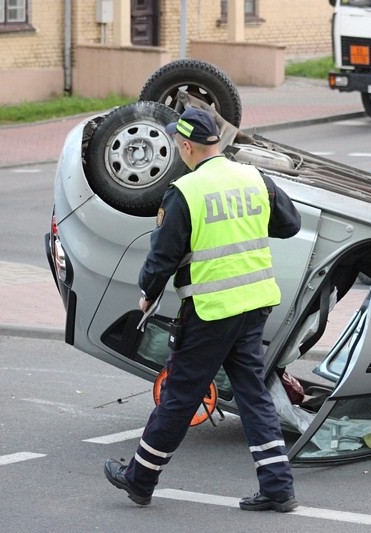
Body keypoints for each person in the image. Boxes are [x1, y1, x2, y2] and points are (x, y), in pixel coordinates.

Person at [103, 107, 302, 512]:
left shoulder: (186, 192)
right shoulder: (253, 178)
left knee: (179, 394)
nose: (178, 148)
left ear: (188, 146)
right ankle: (279, 487)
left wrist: (148, 293)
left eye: (179, 143)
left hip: (212, 310)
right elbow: (290, 224)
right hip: (255, 303)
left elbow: (161, 259)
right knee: (253, 394)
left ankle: (140, 479)